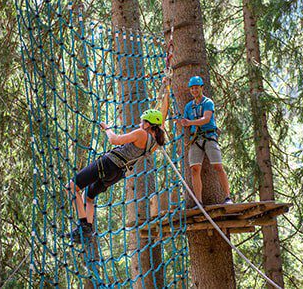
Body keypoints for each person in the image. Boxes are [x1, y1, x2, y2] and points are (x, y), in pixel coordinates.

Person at [66, 108, 167, 244]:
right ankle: (87, 230)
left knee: (71, 187)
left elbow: (115, 140)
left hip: (108, 164)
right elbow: (162, 124)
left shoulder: (142, 134)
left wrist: (107, 128)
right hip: (117, 173)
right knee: (88, 197)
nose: (139, 124)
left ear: (147, 124)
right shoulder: (155, 144)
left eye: (142, 121)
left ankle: (83, 225)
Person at [179, 76, 232, 207]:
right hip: (195, 139)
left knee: (218, 166)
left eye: (196, 88)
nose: (194, 91)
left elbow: (206, 119)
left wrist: (190, 122)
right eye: (192, 88)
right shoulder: (188, 107)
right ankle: (199, 201)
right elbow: (184, 123)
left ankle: (227, 197)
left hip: (209, 137)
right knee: (194, 170)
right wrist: (182, 122)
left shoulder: (208, 103)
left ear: (202, 88)